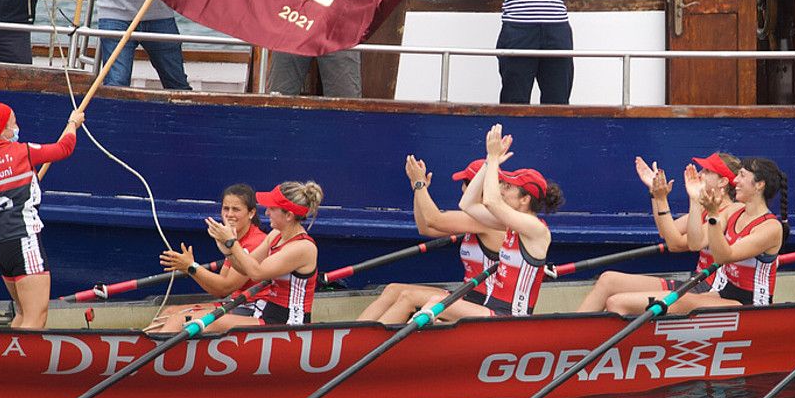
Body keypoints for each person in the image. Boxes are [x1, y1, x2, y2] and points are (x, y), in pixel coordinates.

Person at [369, 125, 564, 323]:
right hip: (485, 306)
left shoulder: (536, 229)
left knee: (425, 302)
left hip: (509, 318)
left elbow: (486, 202)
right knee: (405, 294)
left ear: (525, 199)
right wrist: (489, 162)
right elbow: (466, 205)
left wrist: (494, 159)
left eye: (509, 187)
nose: (503, 190)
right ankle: (360, 339)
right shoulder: (507, 224)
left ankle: (373, 347)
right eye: (503, 185)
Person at [598, 157, 789, 313]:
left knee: (619, 303)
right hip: (720, 294)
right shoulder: (735, 212)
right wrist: (695, 200)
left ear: (759, 185)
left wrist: (713, 215)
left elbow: (723, 256)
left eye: (741, 176)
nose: (735, 181)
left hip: (752, 308)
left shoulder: (770, 227)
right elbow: (696, 243)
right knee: (614, 297)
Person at [0, 90, 82, 329]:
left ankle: (2, 363)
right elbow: (64, 148)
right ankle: (19, 366)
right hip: (24, 242)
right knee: (36, 319)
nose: (18, 127)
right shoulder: (22, 152)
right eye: (14, 123)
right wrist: (73, 123)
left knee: (21, 315)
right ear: (3, 130)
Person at [575, 153, 745, 312]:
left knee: (617, 302)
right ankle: (572, 335)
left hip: (711, 290)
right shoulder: (704, 210)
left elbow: (676, 244)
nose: (700, 173)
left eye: (707, 171)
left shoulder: (728, 212)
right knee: (607, 280)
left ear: (723, 182)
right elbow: (666, 232)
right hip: (696, 282)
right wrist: (655, 194)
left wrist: (663, 199)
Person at [357, 156, 506, 322]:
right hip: (468, 296)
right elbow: (425, 228)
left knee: (408, 297)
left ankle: (366, 344)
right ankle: (352, 335)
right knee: (392, 289)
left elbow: (434, 219)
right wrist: (417, 188)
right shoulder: (477, 218)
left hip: (485, 305)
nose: (463, 189)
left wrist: (421, 185)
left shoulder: (490, 219)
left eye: (465, 183)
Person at [161, 181, 323, 326]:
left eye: (272, 209)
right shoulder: (275, 235)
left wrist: (232, 243)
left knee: (186, 320)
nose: (266, 213)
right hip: (266, 313)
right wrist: (228, 251)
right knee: (177, 317)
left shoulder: (302, 248)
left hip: (288, 323)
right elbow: (244, 268)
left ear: (289, 215)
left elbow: (256, 273)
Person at [149, 184, 266, 333]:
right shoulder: (234, 239)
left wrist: (191, 268)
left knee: (179, 320)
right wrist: (191, 268)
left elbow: (225, 287)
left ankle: (153, 353)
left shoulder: (255, 242)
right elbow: (219, 292)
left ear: (251, 213)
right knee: (170, 312)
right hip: (235, 304)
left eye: (236, 209)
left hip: (254, 308)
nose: (229, 214)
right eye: (225, 208)